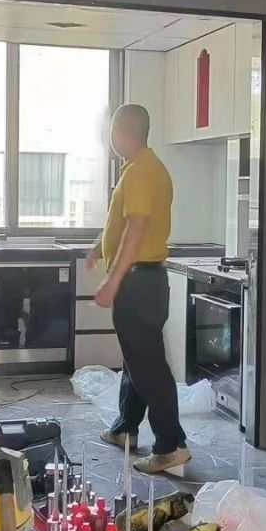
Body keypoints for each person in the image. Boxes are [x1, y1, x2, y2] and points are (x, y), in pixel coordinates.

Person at [87, 104, 190, 475]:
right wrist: (99, 247)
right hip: (144, 280)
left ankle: (171, 446)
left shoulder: (142, 170)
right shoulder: (140, 167)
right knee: (138, 359)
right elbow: (122, 225)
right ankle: (125, 428)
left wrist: (113, 280)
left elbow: (137, 228)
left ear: (120, 131)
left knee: (148, 366)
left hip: (138, 282)